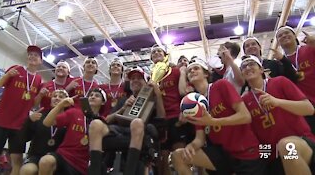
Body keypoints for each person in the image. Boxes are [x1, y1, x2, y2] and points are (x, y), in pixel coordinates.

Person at [172, 58, 265, 175]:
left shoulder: (221, 85)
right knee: (178, 156)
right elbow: (200, 138)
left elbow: (245, 116)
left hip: (245, 151)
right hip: (222, 153)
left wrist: (213, 121)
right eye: (189, 70)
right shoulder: (194, 104)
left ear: (206, 73)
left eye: (196, 68)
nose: (192, 71)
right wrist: (191, 145)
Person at [240, 55, 315, 175]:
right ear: (242, 74)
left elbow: (309, 109)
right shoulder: (244, 101)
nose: (248, 67)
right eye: (244, 66)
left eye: (251, 64)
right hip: (274, 155)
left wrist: (277, 102)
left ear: (261, 69)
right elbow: (256, 139)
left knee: (286, 145)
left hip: (300, 142)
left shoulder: (280, 82)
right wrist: (265, 161)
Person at [88, 66, 165, 175]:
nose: (135, 80)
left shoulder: (153, 98)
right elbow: (108, 120)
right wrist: (123, 108)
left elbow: (161, 118)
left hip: (141, 133)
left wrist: (158, 94)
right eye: (132, 79)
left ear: (145, 81)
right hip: (119, 131)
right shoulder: (124, 99)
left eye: (139, 78)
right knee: (95, 124)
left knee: (137, 123)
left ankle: (130, 171)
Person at [0, 45, 43, 175]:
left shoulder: (38, 79)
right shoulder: (16, 69)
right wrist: (7, 76)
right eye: (30, 54)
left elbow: (33, 104)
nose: (32, 56)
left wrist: (40, 95)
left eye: (36, 55)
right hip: (1, 120)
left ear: (40, 61)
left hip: (19, 125)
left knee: (17, 160)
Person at [38, 88, 107, 175]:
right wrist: (60, 105)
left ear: (103, 102)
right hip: (64, 155)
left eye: (97, 96)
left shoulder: (102, 122)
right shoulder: (74, 113)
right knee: (45, 161)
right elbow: (47, 123)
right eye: (90, 95)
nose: (92, 97)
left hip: (83, 164)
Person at [150, 45, 191, 175]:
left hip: (176, 116)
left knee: (180, 155)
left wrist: (185, 111)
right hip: (160, 120)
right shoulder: (150, 77)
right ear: (151, 58)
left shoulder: (175, 71)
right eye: (154, 52)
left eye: (159, 51)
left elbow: (186, 92)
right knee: (162, 158)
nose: (156, 53)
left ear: (165, 55)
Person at [275, 26, 315, 133]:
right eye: (280, 35)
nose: (284, 35)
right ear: (278, 42)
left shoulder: (309, 48)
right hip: (303, 106)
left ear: (294, 35)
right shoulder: (279, 63)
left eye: (287, 33)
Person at [20, 90, 68, 175]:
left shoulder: (69, 120)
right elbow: (25, 138)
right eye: (54, 96)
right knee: (27, 170)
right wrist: (29, 121)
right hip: (36, 156)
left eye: (61, 97)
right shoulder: (40, 115)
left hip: (58, 159)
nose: (57, 98)